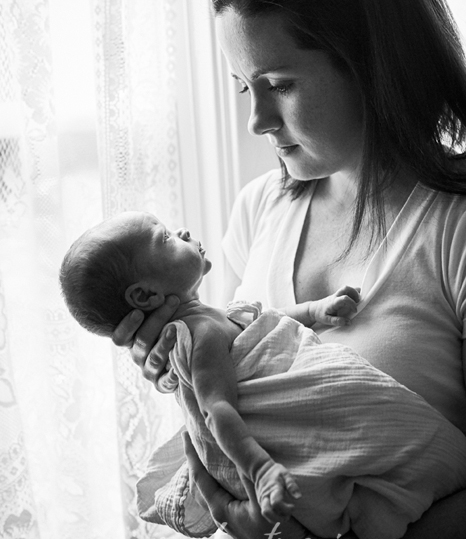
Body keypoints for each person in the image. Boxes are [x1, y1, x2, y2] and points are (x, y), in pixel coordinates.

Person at [111, 0, 466, 539]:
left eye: (278, 85)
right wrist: (181, 357)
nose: (256, 121)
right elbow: (261, 400)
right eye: (244, 85)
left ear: (368, 61)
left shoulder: (451, 228)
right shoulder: (261, 209)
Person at [59, 210, 360, 521]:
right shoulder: (202, 334)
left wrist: (316, 309)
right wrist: (262, 470)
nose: (183, 231)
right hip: (270, 485)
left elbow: (264, 326)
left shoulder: (209, 320)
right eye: (165, 238)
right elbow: (215, 410)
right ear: (145, 294)